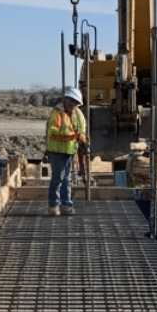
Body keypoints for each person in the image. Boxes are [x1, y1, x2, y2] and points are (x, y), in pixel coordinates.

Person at [45, 87, 89, 216]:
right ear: (66, 99)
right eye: (71, 101)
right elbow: (53, 131)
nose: (73, 105)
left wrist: (83, 140)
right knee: (58, 177)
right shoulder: (57, 113)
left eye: (75, 103)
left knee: (67, 179)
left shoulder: (77, 114)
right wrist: (71, 135)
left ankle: (66, 204)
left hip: (69, 151)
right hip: (56, 150)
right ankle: (53, 205)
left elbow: (80, 129)